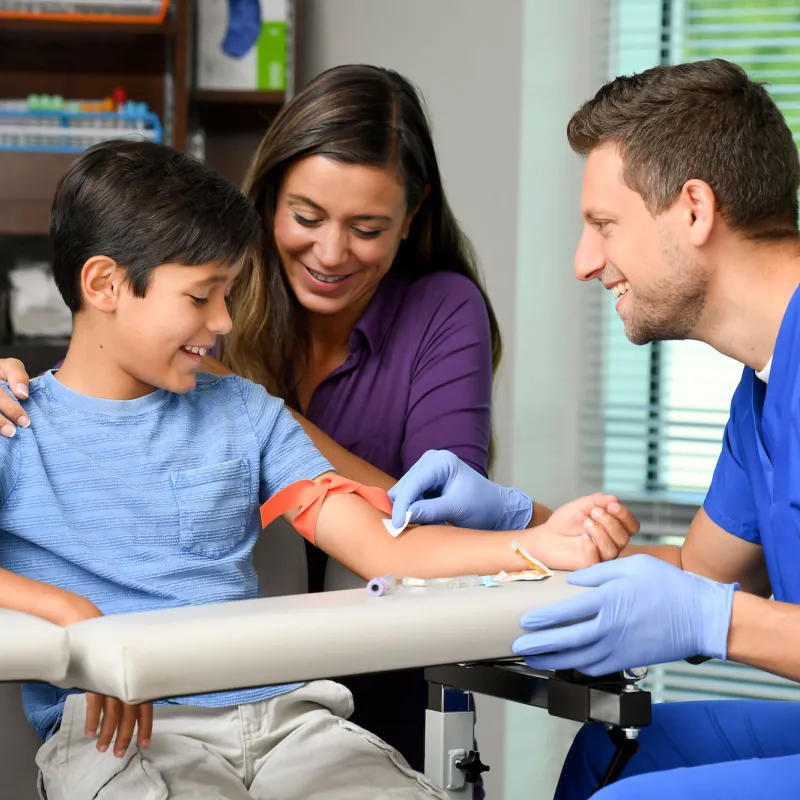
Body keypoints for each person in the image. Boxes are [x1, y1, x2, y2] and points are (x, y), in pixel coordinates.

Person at [0, 64, 614, 779]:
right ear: (105, 284)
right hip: (122, 729)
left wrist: (539, 542)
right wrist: (73, 617)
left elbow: (387, 547)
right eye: (202, 298)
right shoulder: (17, 427)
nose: (225, 323)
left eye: (228, 295)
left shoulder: (245, 414)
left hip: (287, 717)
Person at [389, 59, 800, 799]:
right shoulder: (766, 382)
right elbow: (701, 576)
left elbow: (701, 606)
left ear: (695, 210)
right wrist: (527, 525)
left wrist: (714, 622)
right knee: (611, 757)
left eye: (604, 226)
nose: (584, 263)